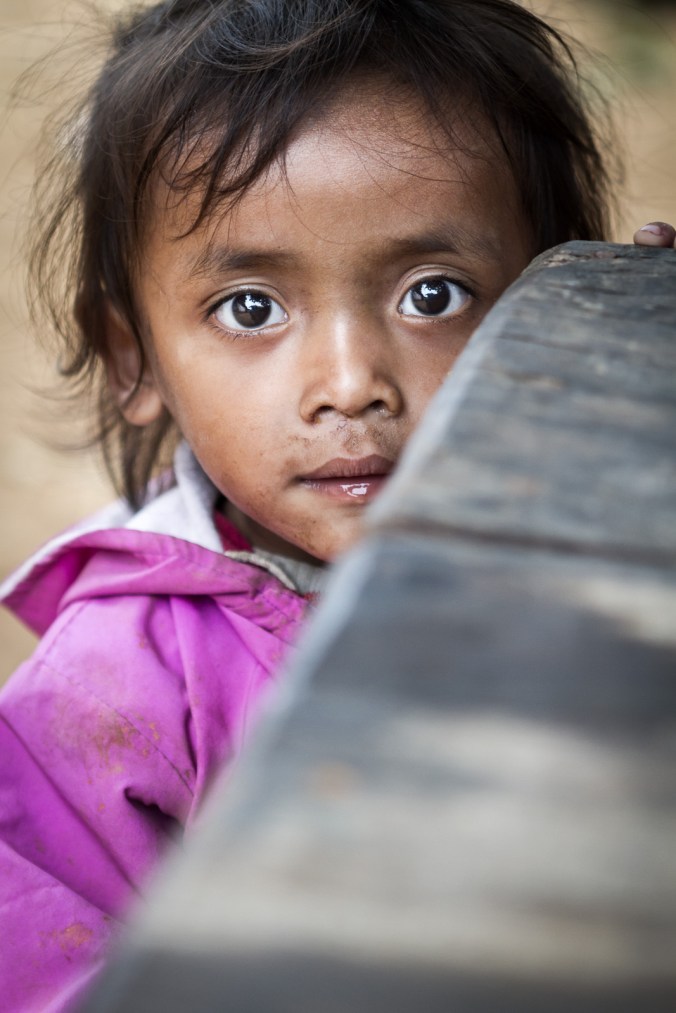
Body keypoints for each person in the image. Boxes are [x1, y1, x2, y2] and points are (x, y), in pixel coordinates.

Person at [0, 0, 672, 1008]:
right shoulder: (118, 681)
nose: (351, 381)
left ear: (546, 302)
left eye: (432, 292)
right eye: (252, 308)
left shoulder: (618, 525)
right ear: (133, 357)